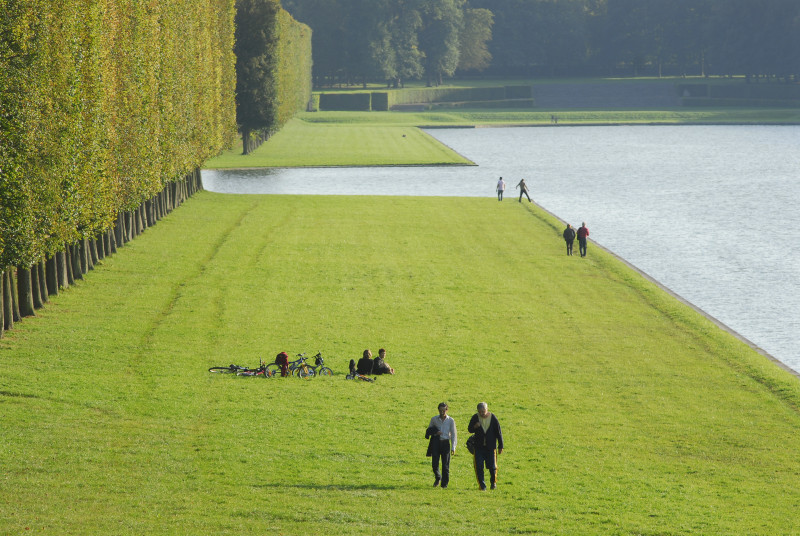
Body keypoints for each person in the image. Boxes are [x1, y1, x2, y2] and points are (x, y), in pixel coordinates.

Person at [467, 402, 504, 490]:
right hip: (478, 447)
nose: (482, 413)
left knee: (493, 467)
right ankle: (482, 486)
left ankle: (493, 483)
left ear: (487, 410)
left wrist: (500, 446)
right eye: (480, 412)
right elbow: (469, 429)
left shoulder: (493, 418)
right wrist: (475, 426)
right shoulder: (475, 417)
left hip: (491, 448)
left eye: (483, 411)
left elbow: (499, 432)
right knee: (479, 467)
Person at [426, 402, 457, 488]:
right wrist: (435, 432)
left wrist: (453, 447)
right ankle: (438, 477)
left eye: (444, 411)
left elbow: (454, 434)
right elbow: (429, 430)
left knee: (445, 465)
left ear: (447, 410)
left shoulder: (451, 421)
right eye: (440, 411)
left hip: (446, 443)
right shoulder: (434, 419)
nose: (442, 412)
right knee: (434, 464)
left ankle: (444, 485)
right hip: (436, 443)